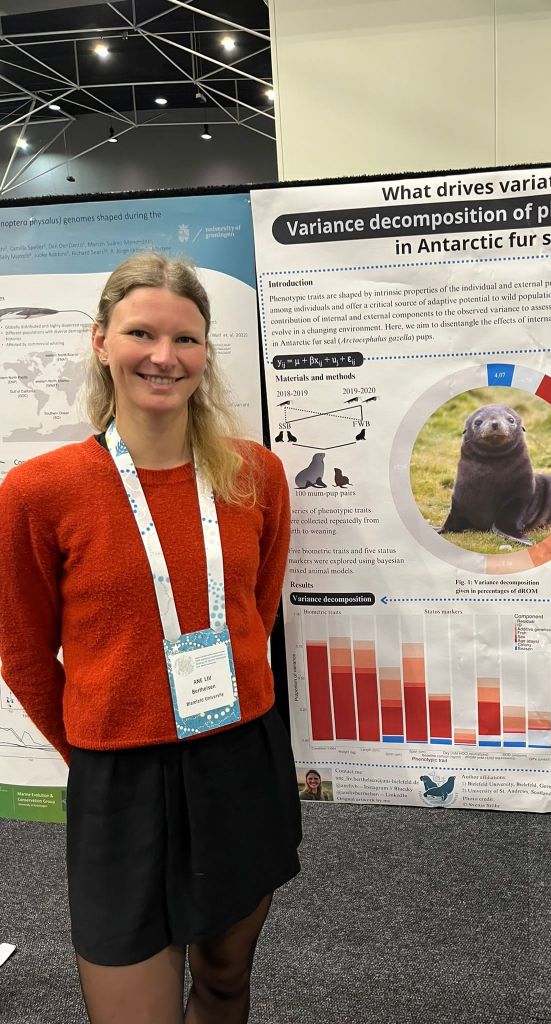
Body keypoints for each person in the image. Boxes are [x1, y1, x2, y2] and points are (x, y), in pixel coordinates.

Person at [0, 252, 301, 1024]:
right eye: (141, 333)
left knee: (226, 979)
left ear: (205, 353)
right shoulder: (39, 492)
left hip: (239, 760)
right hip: (121, 779)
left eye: (185, 339)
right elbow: (24, 653)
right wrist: (98, 749)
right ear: (101, 340)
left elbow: (258, 610)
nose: (164, 357)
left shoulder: (256, 476)